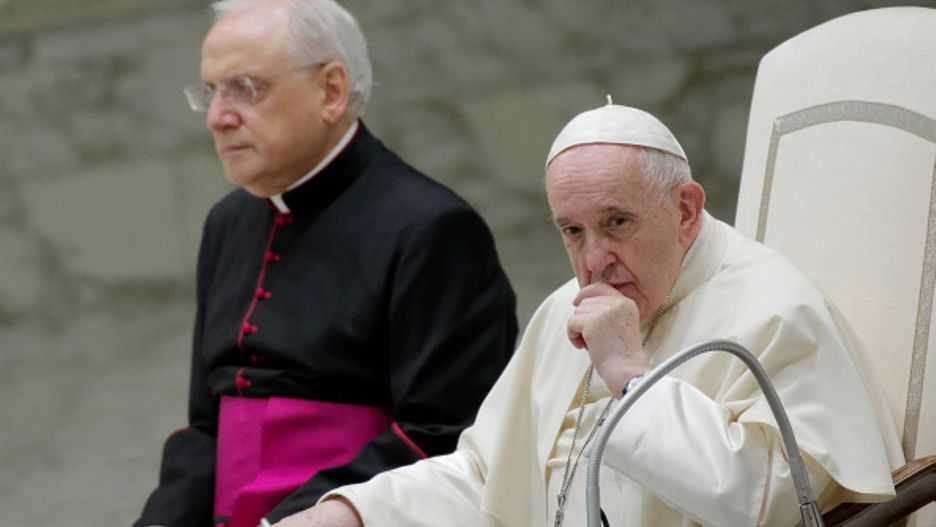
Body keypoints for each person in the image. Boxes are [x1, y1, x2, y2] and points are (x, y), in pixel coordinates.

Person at [275, 102, 905, 526]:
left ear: (685, 211)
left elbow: (768, 504)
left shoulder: (775, 309)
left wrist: (631, 376)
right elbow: (489, 480)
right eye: (572, 232)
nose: (594, 260)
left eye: (617, 223)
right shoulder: (565, 310)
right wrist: (352, 513)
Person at [133, 1, 518, 526]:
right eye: (210, 92)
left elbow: (445, 435)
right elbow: (207, 427)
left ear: (331, 91)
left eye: (244, 88)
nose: (218, 117)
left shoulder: (431, 228)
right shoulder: (227, 223)